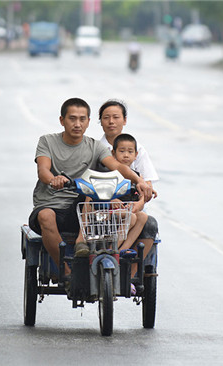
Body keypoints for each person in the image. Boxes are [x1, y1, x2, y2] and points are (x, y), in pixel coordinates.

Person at [29, 98, 152, 278]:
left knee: (94, 192)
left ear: (88, 121)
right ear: (62, 120)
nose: (77, 124)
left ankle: (92, 249)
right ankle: (67, 274)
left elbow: (118, 167)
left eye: (82, 119)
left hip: (81, 209)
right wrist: (54, 179)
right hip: (51, 206)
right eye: (72, 118)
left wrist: (138, 180)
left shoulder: (95, 146)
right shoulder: (47, 141)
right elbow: (43, 170)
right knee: (45, 216)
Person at [98, 99, 159, 262]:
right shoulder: (96, 148)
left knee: (150, 224)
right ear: (100, 122)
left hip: (133, 206)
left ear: (124, 120)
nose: (111, 121)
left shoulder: (138, 149)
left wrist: (138, 205)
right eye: (106, 117)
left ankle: (131, 276)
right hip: (105, 206)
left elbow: (147, 186)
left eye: (116, 117)